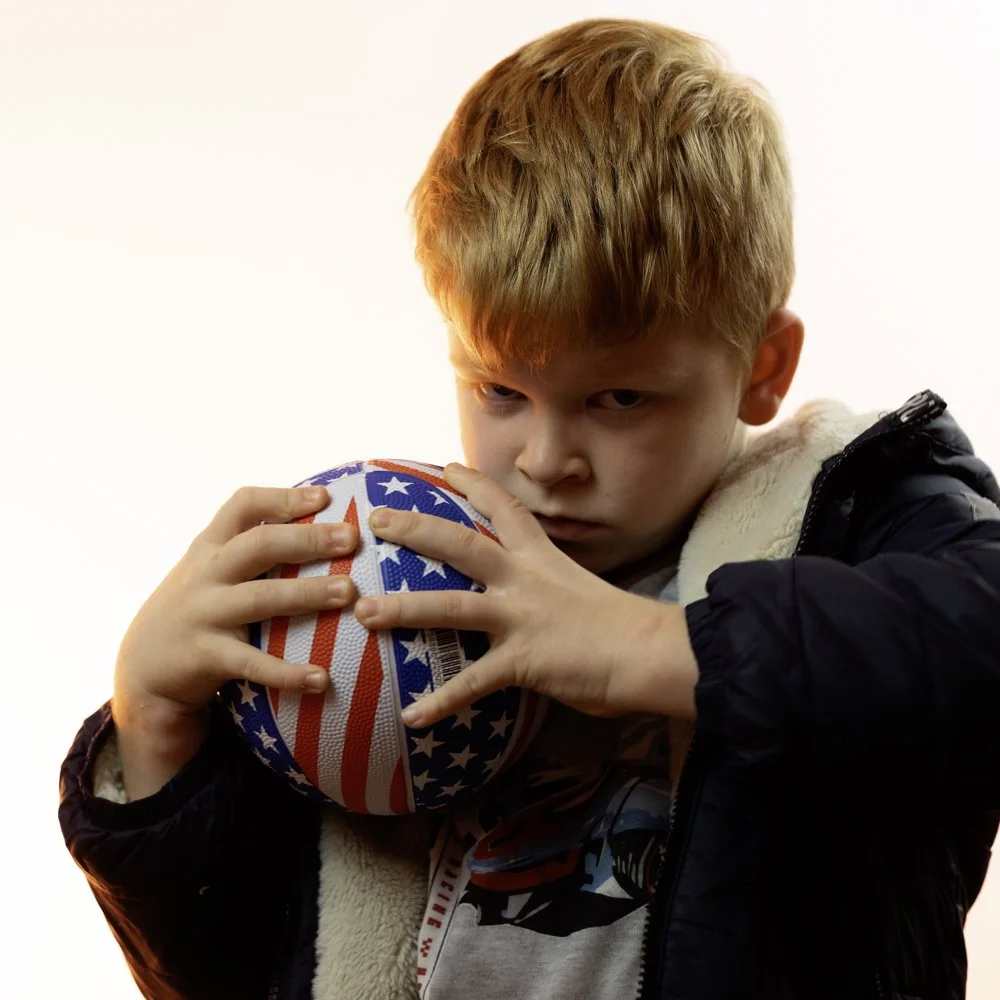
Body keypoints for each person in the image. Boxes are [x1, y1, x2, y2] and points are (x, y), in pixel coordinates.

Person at [58, 18, 1000, 1000]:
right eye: (498, 391)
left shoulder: (848, 507)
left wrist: (649, 646)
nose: (545, 462)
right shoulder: (400, 580)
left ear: (762, 368)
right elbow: (241, 974)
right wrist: (156, 738)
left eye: (621, 398)